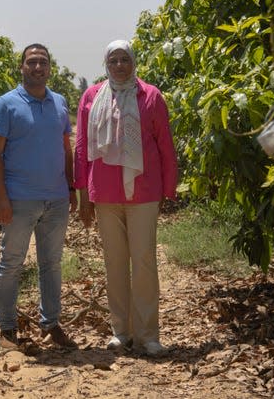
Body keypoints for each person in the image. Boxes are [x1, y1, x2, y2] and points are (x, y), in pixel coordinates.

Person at [74, 39, 178, 357]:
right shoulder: (92, 97)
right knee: (114, 263)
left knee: (144, 261)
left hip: (144, 192)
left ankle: (148, 335)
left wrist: (168, 189)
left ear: (134, 61)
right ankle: (121, 332)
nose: (119, 65)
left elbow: (165, 146)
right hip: (104, 193)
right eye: (114, 60)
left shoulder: (151, 96)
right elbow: (81, 146)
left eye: (125, 59)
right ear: (106, 64)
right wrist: (82, 195)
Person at [0, 43, 79, 352]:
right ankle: (7, 328)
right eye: (32, 62)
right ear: (22, 67)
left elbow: (65, 148)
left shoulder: (60, 103)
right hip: (19, 199)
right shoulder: (6, 104)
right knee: (11, 263)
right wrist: (1, 197)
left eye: (43, 62)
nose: (37, 67)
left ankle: (51, 324)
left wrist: (70, 188)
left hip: (55, 200)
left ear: (49, 67)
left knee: (51, 264)